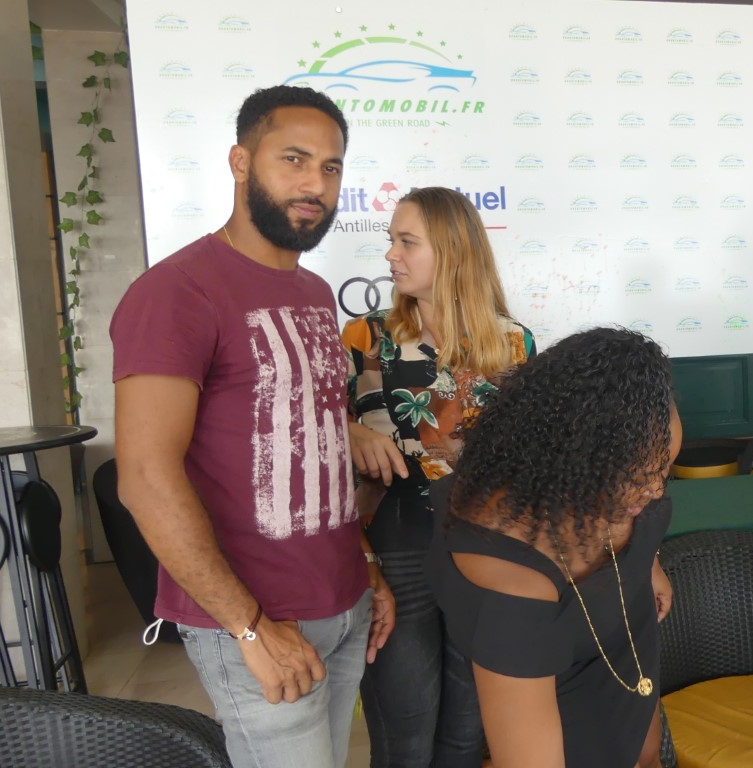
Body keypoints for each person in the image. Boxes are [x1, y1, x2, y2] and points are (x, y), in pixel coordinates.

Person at [111, 85, 394, 768]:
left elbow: (318, 446)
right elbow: (145, 477)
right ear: (240, 162)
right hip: (256, 619)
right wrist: (249, 627)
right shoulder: (177, 292)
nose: (315, 184)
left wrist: (365, 566)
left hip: (342, 603)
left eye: (330, 167)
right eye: (293, 159)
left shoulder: (313, 291)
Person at [341, 186, 534, 767]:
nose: (391, 255)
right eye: (391, 240)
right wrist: (350, 430)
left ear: (452, 251)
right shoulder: (366, 336)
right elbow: (312, 429)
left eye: (407, 242)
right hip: (394, 549)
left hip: (483, 551)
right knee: (405, 730)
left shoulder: (512, 342)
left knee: (468, 732)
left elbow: (530, 460)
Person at [426, 327, 678, 768]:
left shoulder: (608, 484)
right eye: (640, 477)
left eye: (666, 469)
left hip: (626, 669)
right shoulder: (512, 591)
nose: (656, 490)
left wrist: (645, 562)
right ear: (572, 460)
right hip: (568, 716)